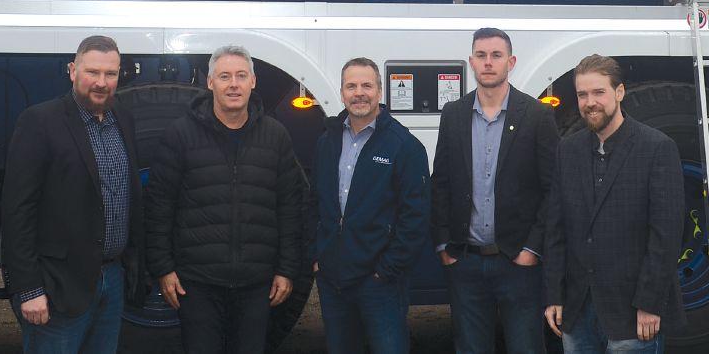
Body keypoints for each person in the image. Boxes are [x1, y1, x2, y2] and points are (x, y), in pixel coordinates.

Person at [146, 45, 306, 354]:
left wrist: (287, 270)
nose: (233, 84)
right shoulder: (180, 135)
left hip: (257, 285)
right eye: (224, 76)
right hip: (197, 285)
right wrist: (163, 268)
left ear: (253, 82)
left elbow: (290, 209)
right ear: (210, 82)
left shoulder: (276, 137)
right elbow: (159, 206)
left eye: (241, 76)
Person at [2, 35, 147, 354]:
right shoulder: (39, 122)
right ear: (72, 70)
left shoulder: (123, 119)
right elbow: (17, 211)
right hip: (59, 286)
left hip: (112, 280)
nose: (101, 82)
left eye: (110, 74)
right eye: (92, 72)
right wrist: (29, 289)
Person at [544, 55, 686, 353]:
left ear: (619, 92)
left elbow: (666, 235)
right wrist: (554, 295)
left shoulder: (657, 148)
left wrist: (649, 303)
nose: (590, 103)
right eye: (582, 95)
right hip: (577, 311)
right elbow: (556, 229)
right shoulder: (567, 150)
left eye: (599, 92)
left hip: (632, 314)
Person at [431, 27, 559, 354]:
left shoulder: (537, 116)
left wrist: (532, 249)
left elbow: (553, 190)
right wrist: (445, 246)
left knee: (526, 348)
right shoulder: (453, 114)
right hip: (466, 262)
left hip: (518, 263)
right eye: (481, 55)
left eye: (496, 55)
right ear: (471, 61)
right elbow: (441, 183)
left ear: (510, 62)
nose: (488, 62)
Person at [312, 57, 430, 354]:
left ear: (380, 91)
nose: (359, 93)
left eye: (367, 85)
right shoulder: (327, 142)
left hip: (380, 284)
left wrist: (386, 270)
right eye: (351, 86)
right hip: (333, 281)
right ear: (341, 93)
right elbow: (314, 203)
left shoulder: (404, 146)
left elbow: (416, 218)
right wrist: (318, 256)